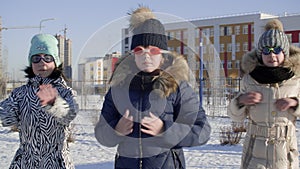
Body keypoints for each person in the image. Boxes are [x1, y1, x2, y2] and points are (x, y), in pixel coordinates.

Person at [94, 6, 211, 169]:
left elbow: (202, 130)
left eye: (153, 50)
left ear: (163, 55)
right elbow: (101, 133)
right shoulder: (118, 88)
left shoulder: (178, 87)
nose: (146, 55)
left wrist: (165, 129)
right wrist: (116, 130)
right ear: (132, 54)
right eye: (139, 50)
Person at [228, 19, 300, 169]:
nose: (271, 54)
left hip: (284, 151)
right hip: (255, 150)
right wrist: (241, 101)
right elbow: (235, 116)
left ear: (285, 52)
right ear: (261, 53)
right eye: (266, 50)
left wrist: (295, 103)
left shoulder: (296, 78)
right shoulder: (250, 78)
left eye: (277, 49)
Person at [0, 33, 79, 169]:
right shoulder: (20, 94)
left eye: (47, 58)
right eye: (36, 58)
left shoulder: (66, 92)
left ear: (55, 62)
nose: (42, 62)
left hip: (56, 163)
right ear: (31, 63)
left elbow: (70, 115)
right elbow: (7, 118)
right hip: (25, 163)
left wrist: (54, 102)